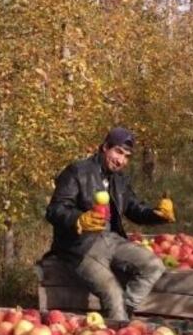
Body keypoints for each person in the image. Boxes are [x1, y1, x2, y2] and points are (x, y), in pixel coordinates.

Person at [45, 126, 176, 320]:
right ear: (105, 147)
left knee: (153, 266)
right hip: (80, 248)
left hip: (110, 240)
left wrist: (157, 214)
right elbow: (55, 210)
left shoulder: (119, 179)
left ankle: (124, 312)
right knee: (113, 294)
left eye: (126, 156)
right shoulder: (77, 172)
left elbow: (134, 209)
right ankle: (119, 323)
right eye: (118, 152)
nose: (121, 160)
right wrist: (78, 219)